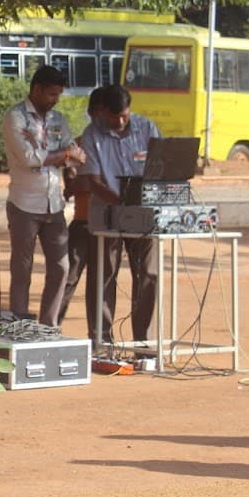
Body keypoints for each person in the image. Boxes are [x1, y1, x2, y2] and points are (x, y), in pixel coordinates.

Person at [1, 64, 86, 326]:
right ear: (36, 90)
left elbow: (74, 155)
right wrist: (63, 156)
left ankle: (49, 326)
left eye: (58, 95)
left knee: (61, 267)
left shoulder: (58, 119)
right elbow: (30, 159)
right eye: (51, 94)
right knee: (22, 269)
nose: (55, 100)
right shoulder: (15, 118)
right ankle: (20, 326)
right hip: (24, 203)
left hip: (54, 204)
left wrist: (64, 157)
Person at [76, 84, 162, 343]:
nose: (121, 121)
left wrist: (143, 201)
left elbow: (162, 165)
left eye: (125, 115)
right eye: (115, 117)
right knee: (103, 276)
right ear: (103, 113)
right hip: (106, 216)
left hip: (145, 216)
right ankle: (101, 342)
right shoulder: (92, 135)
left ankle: (143, 342)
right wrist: (123, 204)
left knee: (148, 274)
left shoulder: (147, 128)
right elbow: (93, 181)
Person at [57, 87, 104, 323]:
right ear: (93, 113)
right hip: (84, 223)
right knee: (68, 278)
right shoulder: (77, 146)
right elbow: (74, 184)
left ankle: (100, 339)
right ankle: (51, 329)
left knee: (102, 285)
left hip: (107, 228)